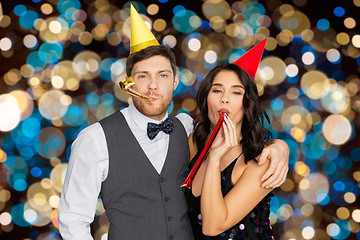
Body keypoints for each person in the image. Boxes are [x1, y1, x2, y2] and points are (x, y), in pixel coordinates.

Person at [58, 6, 288, 240]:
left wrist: (280, 147)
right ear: (129, 83)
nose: (153, 86)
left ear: (175, 81)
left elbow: (246, 142)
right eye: (142, 76)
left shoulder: (186, 129)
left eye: (163, 75)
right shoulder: (95, 139)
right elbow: (73, 221)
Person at [185, 39, 281, 239]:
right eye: (217, 90)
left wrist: (214, 159)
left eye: (236, 92)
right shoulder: (192, 144)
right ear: (206, 98)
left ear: (247, 106)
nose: (225, 99)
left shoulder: (261, 163)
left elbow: (212, 227)